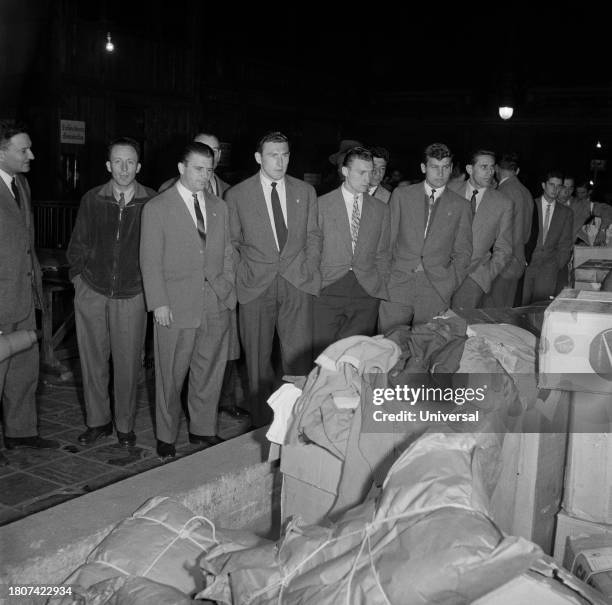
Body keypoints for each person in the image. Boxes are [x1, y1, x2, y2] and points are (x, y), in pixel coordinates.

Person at [140, 142, 236, 459]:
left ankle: (202, 429)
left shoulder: (219, 207)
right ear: (182, 168)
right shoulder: (157, 207)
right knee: (170, 373)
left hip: (214, 301)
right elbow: (150, 261)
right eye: (198, 168)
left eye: (209, 170)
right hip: (175, 303)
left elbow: (226, 254)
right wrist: (159, 303)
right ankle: (166, 435)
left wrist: (226, 291)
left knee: (209, 369)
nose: (204, 175)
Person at [225, 131, 321, 427]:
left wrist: (308, 268)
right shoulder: (237, 195)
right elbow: (231, 243)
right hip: (256, 285)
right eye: (273, 155)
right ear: (258, 158)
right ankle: (262, 424)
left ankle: (294, 420)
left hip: (296, 281)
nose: (280, 161)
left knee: (298, 358)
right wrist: (244, 275)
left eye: (285, 154)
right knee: (257, 360)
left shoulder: (305, 191)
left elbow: (314, 235)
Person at [67, 137, 157, 447]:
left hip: (132, 295)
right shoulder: (92, 199)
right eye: (117, 161)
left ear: (139, 166)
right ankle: (97, 422)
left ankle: (125, 426)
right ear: (108, 165)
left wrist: (147, 290)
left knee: (128, 363)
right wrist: (80, 281)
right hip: (93, 290)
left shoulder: (152, 202)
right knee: (92, 361)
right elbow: (77, 245)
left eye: (129, 162)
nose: (123, 168)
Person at [0, 121, 58, 452]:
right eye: (24, 149)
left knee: (24, 369)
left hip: (24, 294)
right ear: (1, 152)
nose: (31, 155)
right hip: (1, 297)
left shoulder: (21, 185)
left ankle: (20, 432)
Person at [378, 143, 472, 330]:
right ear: (423, 168)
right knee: (388, 347)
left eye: (445, 167)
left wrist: (449, 282)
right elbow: (386, 242)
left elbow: (464, 252)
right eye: (434, 167)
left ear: (451, 169)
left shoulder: (461, 205)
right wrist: (386, 278)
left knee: (427, 348)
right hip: (398, 283)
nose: (440, 173)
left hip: (436, 288)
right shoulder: (401, 195)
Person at [313, 147, 390, 356]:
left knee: (355, 356)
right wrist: (316, 282)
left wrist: (378, 284)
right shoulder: (321, 205)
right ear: (345, 171)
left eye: (371, 171)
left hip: (365, 290)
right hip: (328, 287)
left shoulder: (381, 209)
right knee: (323, 356)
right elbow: (312, 249)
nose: (369, 178)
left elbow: (383, 253)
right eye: (361, 173)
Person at [450, 150, 513, 309]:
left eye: (492, 167)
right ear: (469, 169)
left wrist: (486, 275)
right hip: (441, 272)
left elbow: (504, 248)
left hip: (474, 277)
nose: (490, 172)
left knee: (460, 327)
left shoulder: (503, 203)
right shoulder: (449, 191)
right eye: (484, 167)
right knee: (432, 326)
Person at [483, 152, 534, 307]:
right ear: (516, 171)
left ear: (497, 169)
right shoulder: (526, 192)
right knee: (505, 312)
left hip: (501, 263)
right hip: (518, 260)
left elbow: (491, 231)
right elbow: (527, 234)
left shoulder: (501, 192)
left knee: (490, 313)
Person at [522, 171, 573, 305]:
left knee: (540, 308)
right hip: (527, 265)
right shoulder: (530, 205)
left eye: (559, 186)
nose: (555, 189)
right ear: (544, 185)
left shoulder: (566, 213)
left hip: (549, 268)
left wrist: (557, 264)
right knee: (521, 306)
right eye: (551, 184)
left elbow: (566, 244)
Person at [158, 132, 229, 197]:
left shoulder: (229, 191)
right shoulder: (167, 188)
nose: (209, 155)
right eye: (201, 149)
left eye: (213, 151)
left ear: (219, 155)